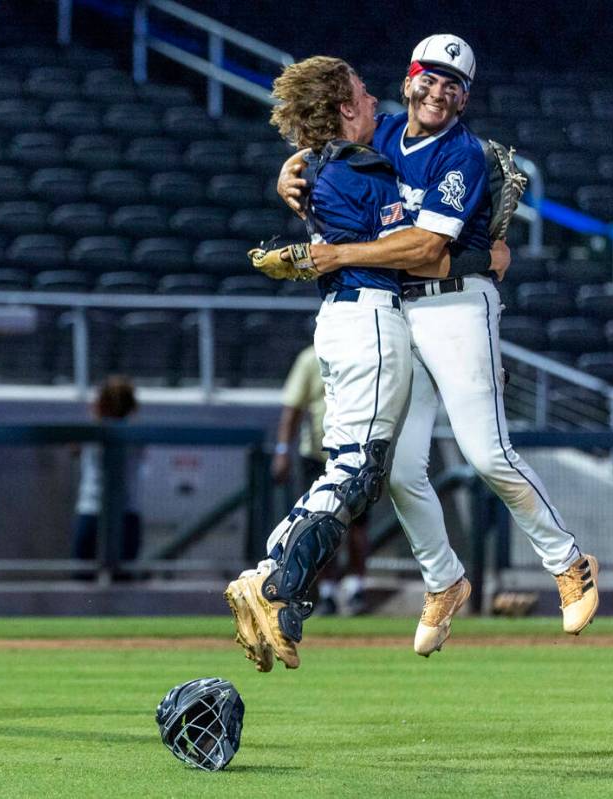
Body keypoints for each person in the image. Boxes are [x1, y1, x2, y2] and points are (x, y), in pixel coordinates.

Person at [275, 35, 599, 653]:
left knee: (486, 452)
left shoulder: (464, 155)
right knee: (397, 468)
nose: (439, 92)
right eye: (431, 76)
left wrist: (335, 253)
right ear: (408, 79)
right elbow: (322, 146)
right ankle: (444, 579)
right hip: (399, 311)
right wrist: (288, 170)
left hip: (456, 301)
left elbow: (426, 250)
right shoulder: (387, 131)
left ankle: (569, 562)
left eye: (455, 85)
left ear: (464, 99)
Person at [224, 56, 468, 673]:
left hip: (340, 321)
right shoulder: (357, 171)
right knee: (359, 470)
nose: (375, 97)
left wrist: (294, 166)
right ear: (344, 108)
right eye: (362, 90)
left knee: (348, 467)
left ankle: (267, 575)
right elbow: (429, 253)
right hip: (370, 321)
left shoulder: (320, 167)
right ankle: (278, 587)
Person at [273, 343, 369, 615]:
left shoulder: (363, 351)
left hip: (357, 452)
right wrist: (282, 450)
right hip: (317, 455)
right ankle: (326, 591)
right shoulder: (309, 358)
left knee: (358, 525)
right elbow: (292, 408)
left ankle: (356, 587)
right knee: (321, 524)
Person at [71, 376, 143, 571]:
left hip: (92, 511)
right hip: (127, 513)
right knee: (123, 583)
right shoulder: (138, 436)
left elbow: (74, 450)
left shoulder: (91, 433)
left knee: (83, 580)